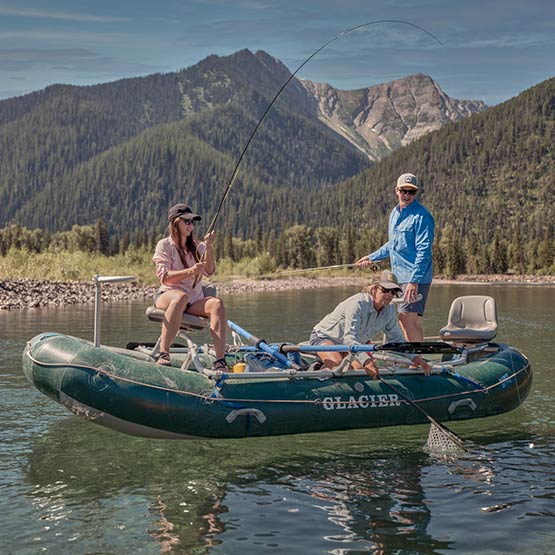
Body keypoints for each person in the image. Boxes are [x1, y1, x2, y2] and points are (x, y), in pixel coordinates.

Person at [356, 173, 435, 342]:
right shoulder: (394, 213)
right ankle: (402, 357)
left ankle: (417, 361)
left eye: (411, 192)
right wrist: (371, 257)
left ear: (416, 193)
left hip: (415, 277)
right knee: (399, 317)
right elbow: (392, 245)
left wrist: (414, 281)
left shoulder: (422, 216)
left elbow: (424, 251)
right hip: (398, 276)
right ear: (396, 191)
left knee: (408, 318)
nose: (406, 195)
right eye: (403, 191)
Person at [309, 270, 431, 378]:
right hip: (325, 337)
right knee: (342, 370)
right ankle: (315, 370)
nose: (389, 294)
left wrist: (415, 358)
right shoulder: (357, 304)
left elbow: (397, 339)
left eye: (393, 291)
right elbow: (349, 339)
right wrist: (367, 361)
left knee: (361, 372)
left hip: (352, 345)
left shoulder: (388, 310)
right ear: (374, 288)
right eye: (385, 290)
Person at [152, 203, 227, 370]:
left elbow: (210, 271)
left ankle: (220, 360)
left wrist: (208, 247)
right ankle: (164, 353)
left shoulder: (198, 246)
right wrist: (190, 271)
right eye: (186, 222)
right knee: (180, 297)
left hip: (193, 301)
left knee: (217, 304)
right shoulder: (164, 245)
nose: (191, 226)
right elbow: (164, 277)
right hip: (168, 295)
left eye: (193, 222)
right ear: (175, 222)